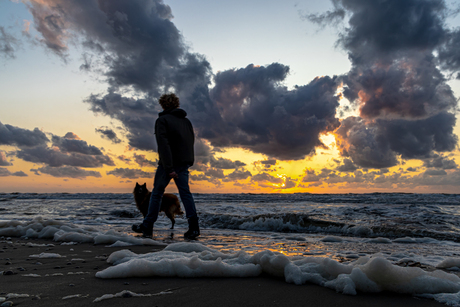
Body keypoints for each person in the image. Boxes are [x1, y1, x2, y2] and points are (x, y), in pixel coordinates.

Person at [132, 93, 200, 240]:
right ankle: (194, 227)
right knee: (185, 194)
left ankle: (147, 225)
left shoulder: (162, 120)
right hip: (184, 163)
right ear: (176, 104)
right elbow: (190, 142)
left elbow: (164, 145)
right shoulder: (186, 122)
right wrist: (187, 161)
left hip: (168, 165)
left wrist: (169, 168)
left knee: (156, 194)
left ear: (163, 105)